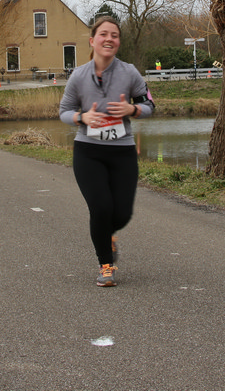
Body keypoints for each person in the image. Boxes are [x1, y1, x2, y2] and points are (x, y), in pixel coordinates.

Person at [59, 15, 154, 287]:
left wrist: (131, 109)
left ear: (119, 42)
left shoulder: (130, 73)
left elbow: (149, 106)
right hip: (88, 152)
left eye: (114, 35)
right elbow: (64, 112)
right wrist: (82, 118)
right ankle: (106, 264)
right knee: (101, 208)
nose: (109, 39)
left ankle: (106, 234)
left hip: (122, 151)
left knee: (122, 213)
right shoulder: (78, 76)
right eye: (103, 34)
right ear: (92, 41)